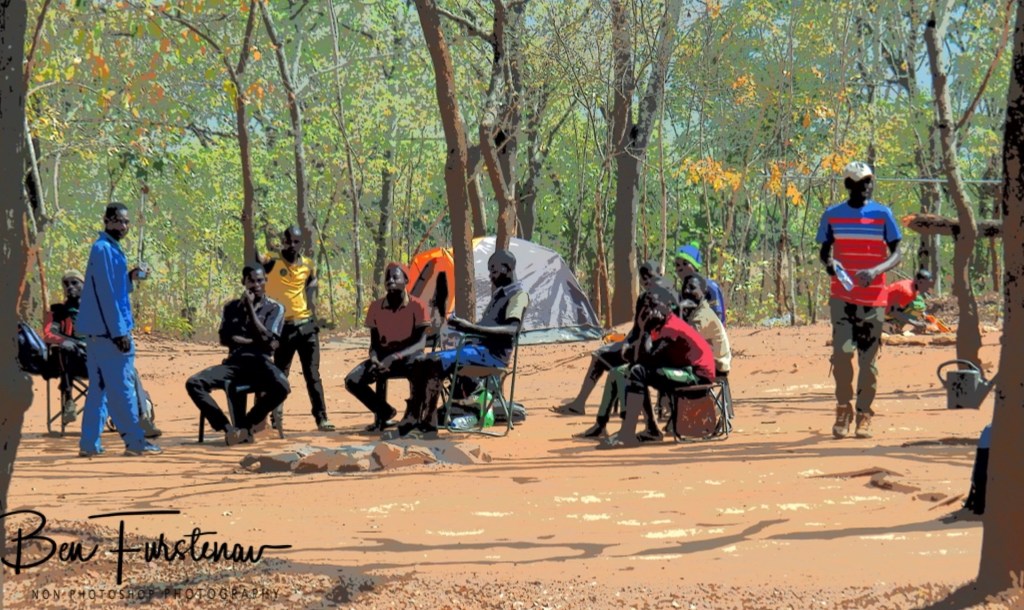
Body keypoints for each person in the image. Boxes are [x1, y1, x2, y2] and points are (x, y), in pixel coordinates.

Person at [401, 249, 529, 438]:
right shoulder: (499, 296)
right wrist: (462, 330)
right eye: (490, 271)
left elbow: (512, 330)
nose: (491, 276)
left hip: (492, 356)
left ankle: (427, 425)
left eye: (494, 271)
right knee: (422, 361)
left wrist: (470, 328)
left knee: (433, 362)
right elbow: (485, 328)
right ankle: (417, 419)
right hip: (477, 350)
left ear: (508, 268)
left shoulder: (518, 296)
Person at [817, 161, 902, 440]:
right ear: (848, 185)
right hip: (842, 297)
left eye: (868, 181)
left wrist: (876, 270)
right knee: (842, 354)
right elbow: (825, 252)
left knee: (868, 361)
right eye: (859, 182)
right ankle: (843, 408)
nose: (866, 186)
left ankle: (865, 413)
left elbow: (897, 253)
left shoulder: (883, 214)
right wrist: (830, 265)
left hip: (874, 299)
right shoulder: (832, 215)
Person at [75, 203, 162, 457]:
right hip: (108, 333)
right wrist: (119, 332)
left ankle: (89, 443)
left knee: (99, 389)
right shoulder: (102, 248)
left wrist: (131, 276)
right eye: (118, 221)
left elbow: (114, 286)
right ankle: (135, 442)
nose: (123, 226)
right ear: (106, 220)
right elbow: (107, 294)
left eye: (126, 222)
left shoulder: (110, 248)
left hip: (99, 333)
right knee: (122, 388)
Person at [43, 269, 161, 437]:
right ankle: (68, 401)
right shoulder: (58, 311)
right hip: (76, 363)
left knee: (130, 370)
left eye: (75, 283)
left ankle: (144, 418)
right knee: (66, 348)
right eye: (66, 284)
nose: (70, 287)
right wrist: (67, 341)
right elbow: (49, 334)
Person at [552, 260, 677, 416]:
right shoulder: (645, 297)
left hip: (652, 352)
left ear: (659, 275)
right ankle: (579, 403)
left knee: (603, 356)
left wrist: (631, 345)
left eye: (649, 276)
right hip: (637, 347)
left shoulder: (666, 298)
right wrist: (624, 342)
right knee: (600, 354)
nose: (646, 281)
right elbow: (637, 330)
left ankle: (584, 404)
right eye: (643, 277)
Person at [597, 285, 715, 449]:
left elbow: (647, 358)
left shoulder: (670, 329)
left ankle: (628, 433)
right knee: (636, 371)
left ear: (663, 307)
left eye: (651, 307)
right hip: (685, 370)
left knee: (638, 372)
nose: (647, 311)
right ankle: (649, 429)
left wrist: (644, 330)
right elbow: (644, 358)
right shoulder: (661, 326)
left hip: (697, 376)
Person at [185, 265, 290, 445]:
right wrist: (256, 341)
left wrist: (250, 310)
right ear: (243, 282)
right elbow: (225, 338)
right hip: (234, 363)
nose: (255, 285)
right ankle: (227, 427)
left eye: (259, 280)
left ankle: (247, 424)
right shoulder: (231, 307)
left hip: (261, 363)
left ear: (266, 281)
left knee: (282, 386)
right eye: (251, 281)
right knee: (194, 382)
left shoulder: (275, 308)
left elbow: (267, 340)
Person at [256, 226, 333, 431]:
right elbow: (254, 257)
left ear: (301, 244)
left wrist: (313, 303)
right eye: (288, 241)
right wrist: (249, 228)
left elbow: (311, 283)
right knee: (281, 374)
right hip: (283, 329)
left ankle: (322, 418)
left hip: (306, 327)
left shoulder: (308, 265)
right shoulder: (272, 261)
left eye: (296, 242)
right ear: (282, 241)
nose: (291, 245)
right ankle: (276, 417)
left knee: (312, 374)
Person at [345, 262, 430, 432]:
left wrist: (395, 357)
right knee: (352, 380)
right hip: (384, 359)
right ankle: (384, 412)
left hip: (409, 357)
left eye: (395, 277)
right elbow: (374, 344)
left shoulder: (417, 305)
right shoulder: (376, 307)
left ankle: (415, 417)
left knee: (420, 366)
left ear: (406, 281)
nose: (390, 280)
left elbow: (420, 343)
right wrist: (374, 359)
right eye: (387, 278)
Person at [673, 243, 726, 325]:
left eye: (685, 263)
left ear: (695, 266)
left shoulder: (710, 287)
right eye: (677, 265)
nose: (680, 268)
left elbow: (718, 317)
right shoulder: (683, 291)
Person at [885, 269, 935, 333]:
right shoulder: (908, 292)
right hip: (883, 311)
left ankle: (895, 324)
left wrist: (923, 315)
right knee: (919, 306)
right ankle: (893, 325)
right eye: (927, 285)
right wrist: (915, 323)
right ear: (920, 282)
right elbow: (894, 312)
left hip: (887, 306)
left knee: (919, 301)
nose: (928, 289)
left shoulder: (910, 284)